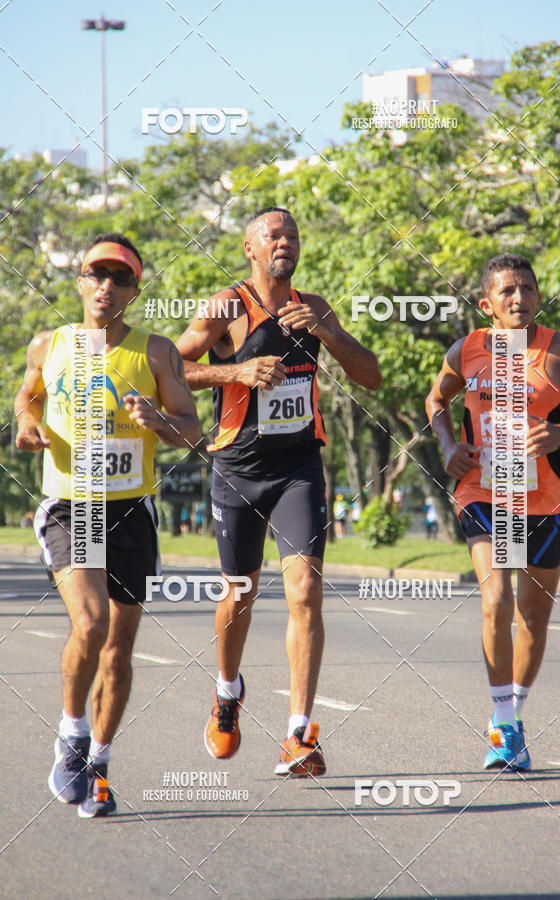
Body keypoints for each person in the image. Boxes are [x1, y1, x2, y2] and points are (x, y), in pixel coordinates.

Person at [177, 207, 381, 776]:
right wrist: (235, 373)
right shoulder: (226, 307)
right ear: (250, 248)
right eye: (273, 235)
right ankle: (227, 691)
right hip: (238, 470)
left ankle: (298, 733)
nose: (284, 241)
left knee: (306, 591)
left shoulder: (314, 307)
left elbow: (371, 376)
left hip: (298, 469)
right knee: (239, 593)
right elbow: (168, 366)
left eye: (292, 234)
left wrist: (328, 333)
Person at [14, 233, 201, 817]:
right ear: (80, 282)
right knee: (91, 623)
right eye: (97, 274)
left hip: (129, 510)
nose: (107, 286)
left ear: (134, 292)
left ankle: (98, 763)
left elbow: (193, 429)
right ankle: (71, 734)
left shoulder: (156, 353)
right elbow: (27, 397)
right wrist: (26, 423)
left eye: (120, 278)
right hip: (73, 505)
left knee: (118, 651)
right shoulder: (49, 345)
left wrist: (160, 421)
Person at [426, 253, 560, 770]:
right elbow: (436, 401)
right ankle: (503, 724)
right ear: (487, 304)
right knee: (496, 598)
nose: (519, 298)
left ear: (538, 296)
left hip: (546, 500)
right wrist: (447, 446)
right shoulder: (466, 351)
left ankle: (515, 712)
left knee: (533, 618)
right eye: (507, 290)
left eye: (527, 288)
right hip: (484, 493)